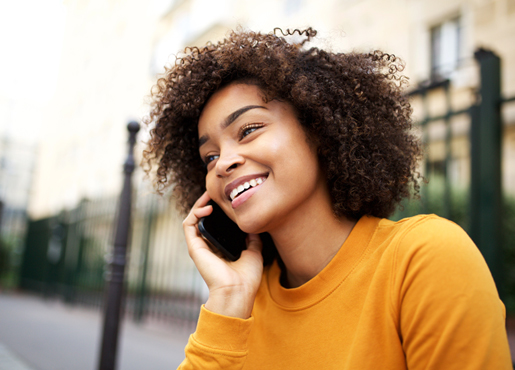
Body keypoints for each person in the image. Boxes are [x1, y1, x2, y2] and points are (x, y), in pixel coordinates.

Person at [143, 28, 512, 369]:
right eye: (209, 156)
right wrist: (227, 299)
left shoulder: (425, 259)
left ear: (318, 129)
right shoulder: (239, 307)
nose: (223, 163)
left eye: (249, 129)